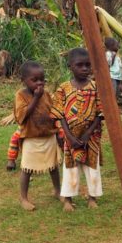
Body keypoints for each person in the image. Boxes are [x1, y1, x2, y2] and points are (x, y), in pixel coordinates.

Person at [52, 48, 103, 211]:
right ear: (70, 67)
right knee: (70, 167)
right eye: (79, 65)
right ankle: (67, 199)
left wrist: (89, 133)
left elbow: (100, 112)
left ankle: (92, 197)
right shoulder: (63, 88)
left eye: (88, 65)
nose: (84, 69)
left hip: (92, 137)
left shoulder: (96, 87)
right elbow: (59, 114)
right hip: (70, 137)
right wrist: (69, 136)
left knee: (92, 167)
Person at [13, 61, 60, 210]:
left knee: (53, 166)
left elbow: (53, 112)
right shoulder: (21, 95)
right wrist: (35, 98)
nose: (39, 83)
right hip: (31, 137)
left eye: (42, 79)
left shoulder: (46, 94)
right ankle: (24, 197)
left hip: (48, 135)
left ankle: (58, 190)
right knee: (27, 169)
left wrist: (58, 130)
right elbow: (22, 116)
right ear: (24, 80)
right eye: (34, 80)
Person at [104, 37, 122, 102]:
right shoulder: (108, 54)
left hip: (117, 78)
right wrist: (113, 55)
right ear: (111, 46)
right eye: (116, 45)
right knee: (112, 93)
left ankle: (115, 106)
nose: (118, 46)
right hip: (111, 77)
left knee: (117, 93)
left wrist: (120, 82)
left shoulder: (117, 57)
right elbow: (108, 64)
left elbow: (120, 70)